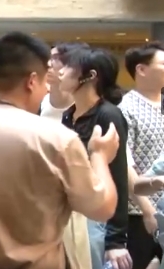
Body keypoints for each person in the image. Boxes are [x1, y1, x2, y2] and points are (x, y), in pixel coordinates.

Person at [0, 32, 120, 268]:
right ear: (31, 81)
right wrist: (100, 156)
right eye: (44, 82)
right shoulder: (55, 139)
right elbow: (101, 207)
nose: (46, 90)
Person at [58, 47, 131, 269]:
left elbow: (118, 174)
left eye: (69, 67)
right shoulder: (68, 115)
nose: (61, 72)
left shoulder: (108, 114)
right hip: (72, 214)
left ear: (90, 76)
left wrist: (115, 240)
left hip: (98, 218)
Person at [42, 41, 92, 269]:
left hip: (76, 204)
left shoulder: (84, 107)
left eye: (57, 60)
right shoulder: (38, 101)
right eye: (50, 58)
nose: (49, 64)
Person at [121, 41, 164, 269]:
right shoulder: (126, 108)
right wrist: (147, 209)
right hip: (139, 213)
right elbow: (124, 163)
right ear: (141, 69)